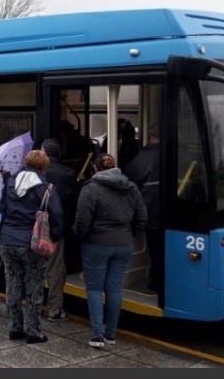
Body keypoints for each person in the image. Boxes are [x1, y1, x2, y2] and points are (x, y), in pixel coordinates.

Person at [73, 153, 146, 348]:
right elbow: (141, 216)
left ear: (96, 169)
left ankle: (97, 335)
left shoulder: (90, 189)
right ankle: (111, 334)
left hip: (96, 244)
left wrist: (80, 237)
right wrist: (129, 234)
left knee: (95, 289)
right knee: (114, 288)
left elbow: (82, 220)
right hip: (123, 245)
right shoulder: (131, 188)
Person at [0, 149, 63, 344]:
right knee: (34, 286)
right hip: (32, 243)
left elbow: (2, 208)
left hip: (8, 240)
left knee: (13, 284)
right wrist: (55, 236)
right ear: (44, 166)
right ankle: (33, 331)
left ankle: (15, 327)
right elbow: (57, 215)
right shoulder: (45, 187)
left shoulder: (10, 182)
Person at [40, 138, 79, 322]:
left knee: (37, 267)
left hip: (37, 227)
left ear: (44, 153)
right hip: (57, 227)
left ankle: (36, 303)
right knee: (56, 269)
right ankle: (55, 308)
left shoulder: (37, 174)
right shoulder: (69, 173)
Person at [123, 122, 161, 293]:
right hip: (172, 211)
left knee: (155, 250)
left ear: (152, 137)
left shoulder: (146, 156)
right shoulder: (179, 152)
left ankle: (156, 283)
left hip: (151, 209)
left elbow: (130, 176)